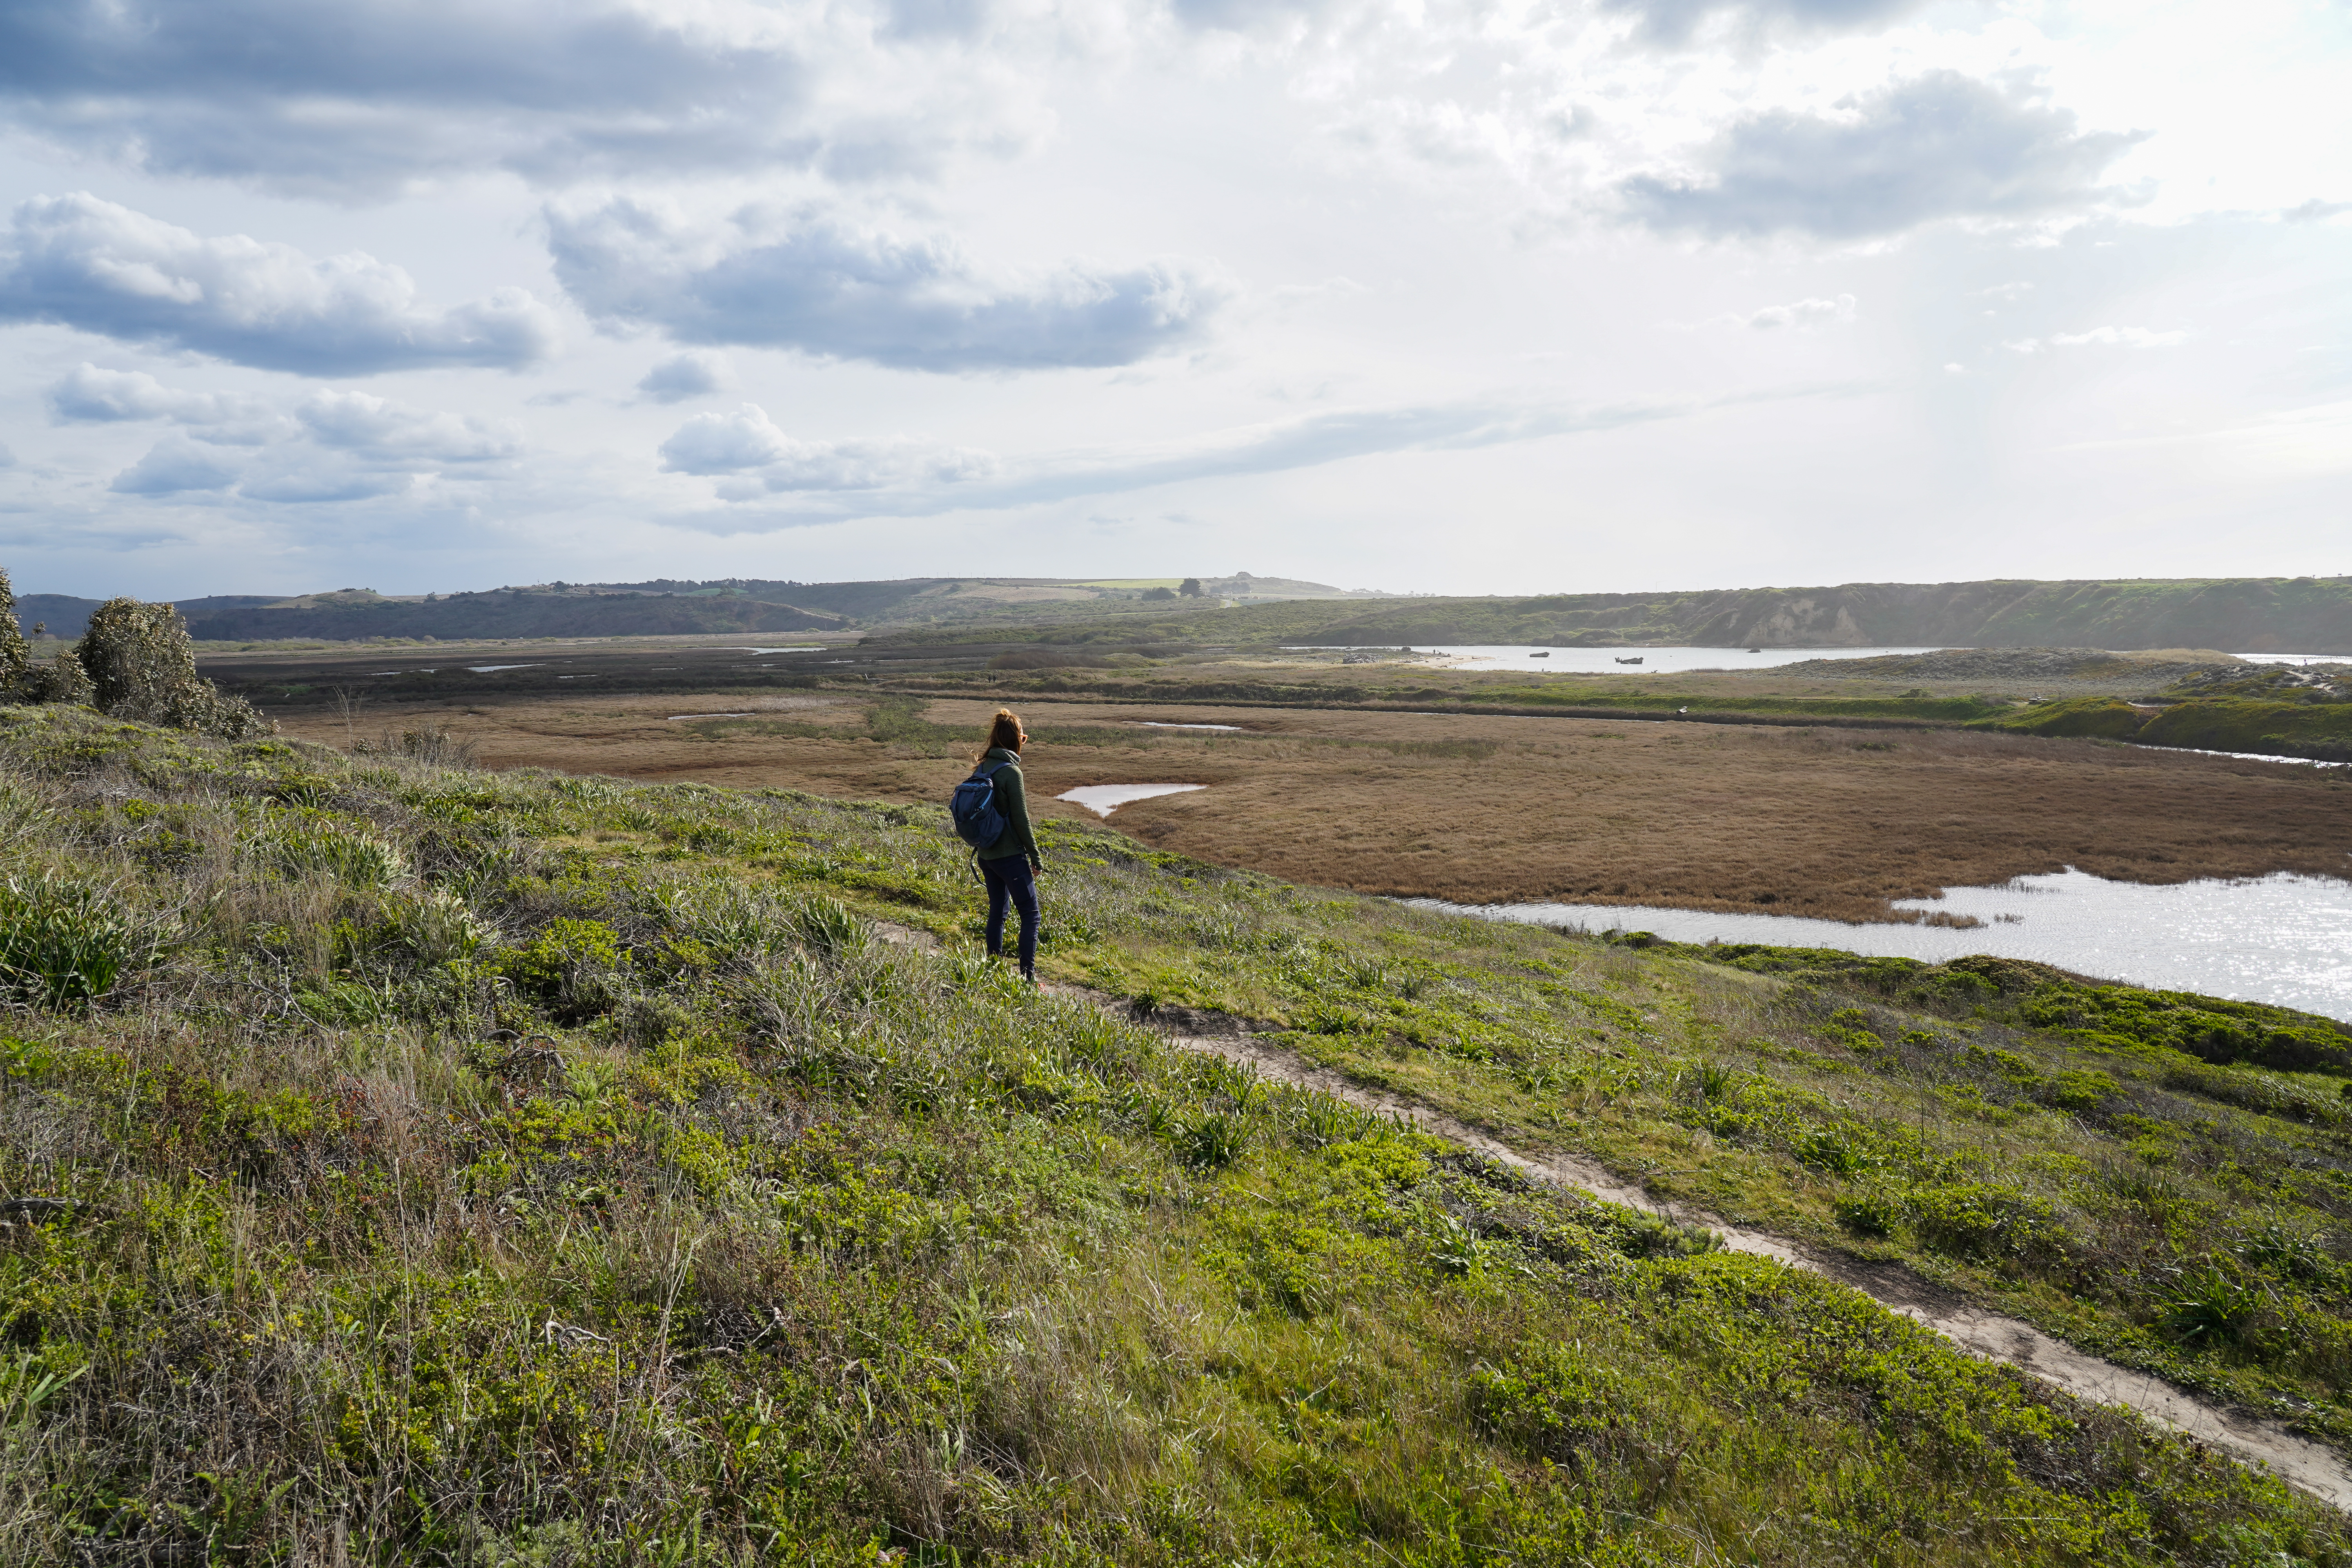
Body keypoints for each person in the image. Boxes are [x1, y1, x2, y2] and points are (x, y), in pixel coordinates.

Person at [972, 707, 1042, 981]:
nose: (1023, 743)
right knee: (1031, 915)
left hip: (986, 855)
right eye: (1022, 739)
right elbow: (1022, 821)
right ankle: (1028, 979)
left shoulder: (984, 766)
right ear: (1015, 740)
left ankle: (993, 969)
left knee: (998, 911)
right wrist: (1036, 858)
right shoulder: (1012, 772)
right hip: (1010, 858)